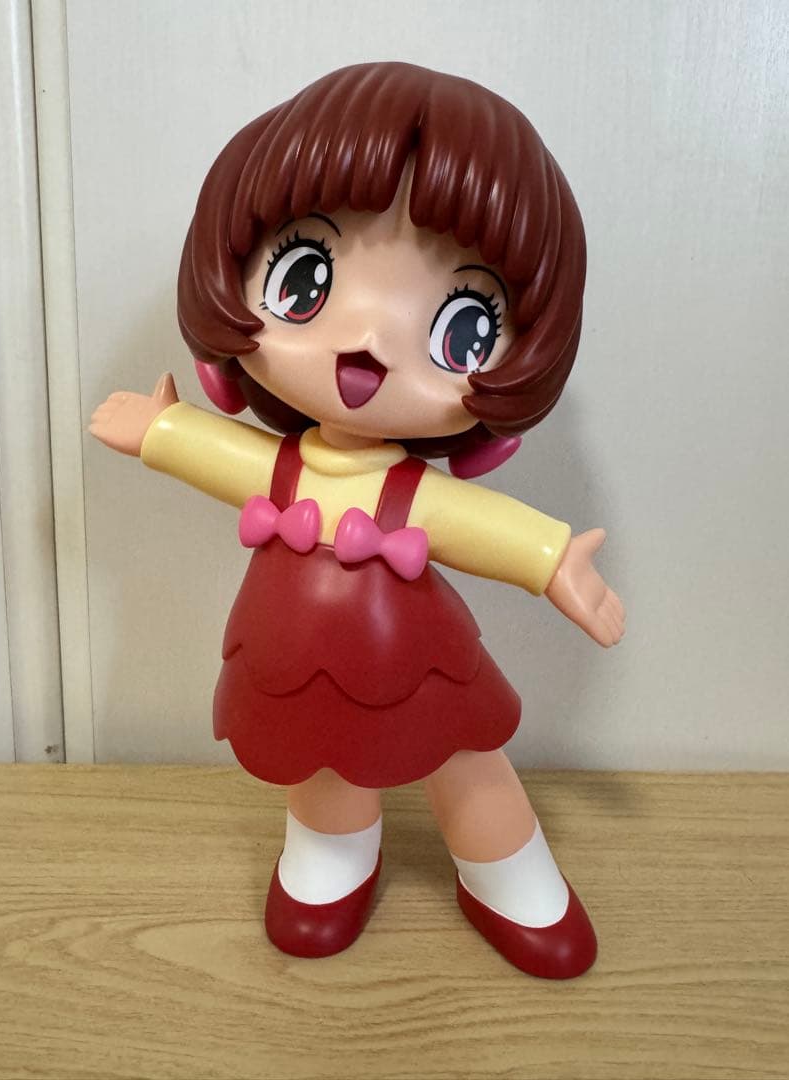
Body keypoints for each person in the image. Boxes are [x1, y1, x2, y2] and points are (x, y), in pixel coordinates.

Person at [90, 62, 625, 979]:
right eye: (307, 277)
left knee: (467, 757)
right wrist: (163, 432)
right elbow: (230, 457)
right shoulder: (287, 467)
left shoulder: (407, 493)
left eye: (462, 326)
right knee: (321, 757)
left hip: (420, 657)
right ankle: (334, 856)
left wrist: (551, 561)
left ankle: (504, 868)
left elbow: (473, 522)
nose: (369, 340)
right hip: (296, 649)